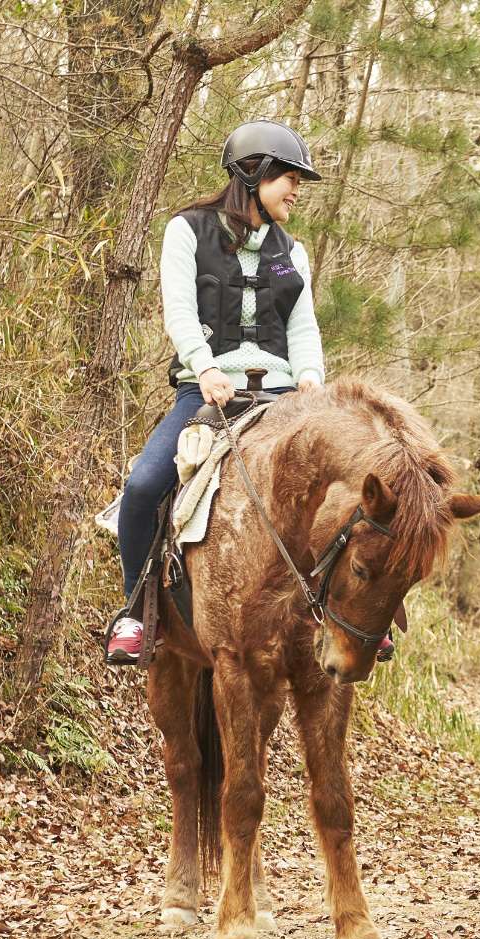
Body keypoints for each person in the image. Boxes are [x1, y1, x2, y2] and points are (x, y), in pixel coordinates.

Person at [106, 119, 327, 664]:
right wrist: (204, 369)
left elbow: (303, 329)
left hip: (282, 399)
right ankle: (136, 612)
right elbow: (179, 312)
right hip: (207, 393)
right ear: (252, 174)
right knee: (142, 485)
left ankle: (343, 612)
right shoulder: (188, 230)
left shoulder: (290, 252)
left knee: (339, 490)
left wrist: (312, 381)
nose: (296, 190)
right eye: (288, 178)